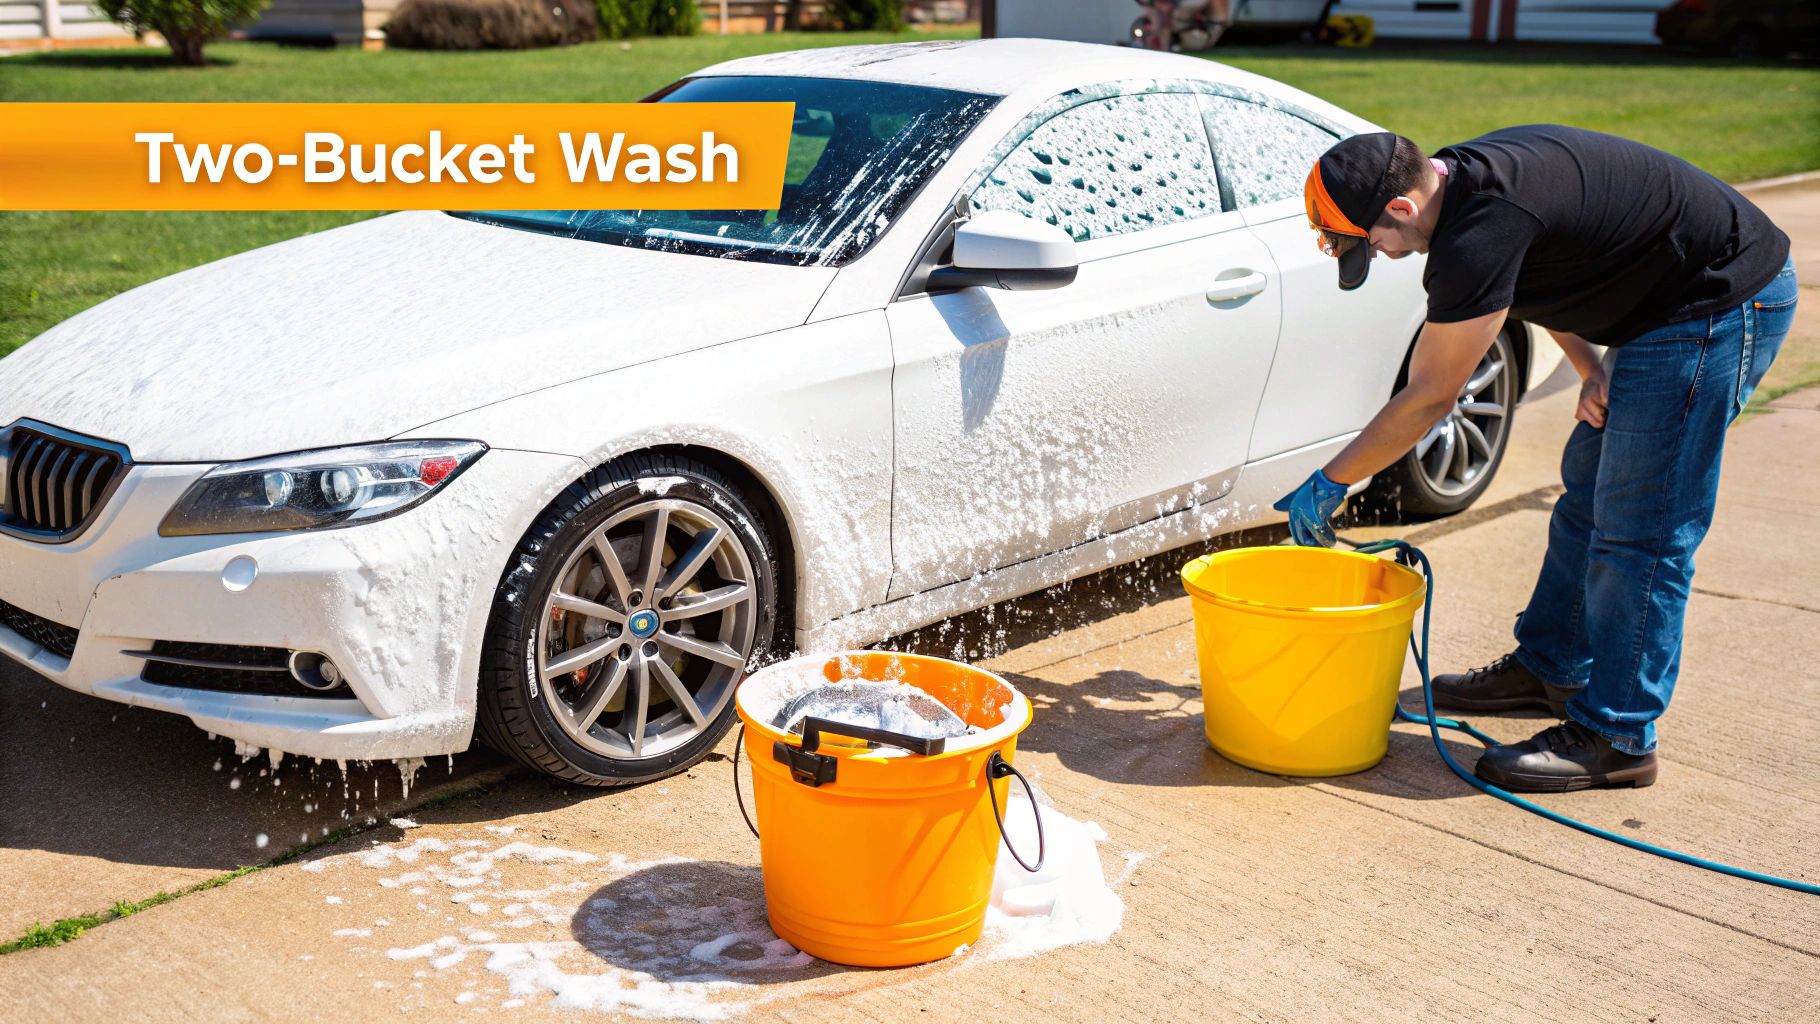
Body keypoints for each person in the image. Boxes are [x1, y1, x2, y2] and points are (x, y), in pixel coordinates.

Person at [1276, 126, 1797, 793]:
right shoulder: (1463, 188)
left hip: (1714, 303)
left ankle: (1618, 736)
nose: (1378, 256)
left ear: (1401, 208)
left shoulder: (1477, 232)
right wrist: (1586, 366)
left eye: (1371, 242)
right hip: (1660, 305)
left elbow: (1431, 396)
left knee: (1642, 530)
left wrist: (1331, 481)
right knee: (1590, 491)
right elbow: (1547, 270)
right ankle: (1552, 667)